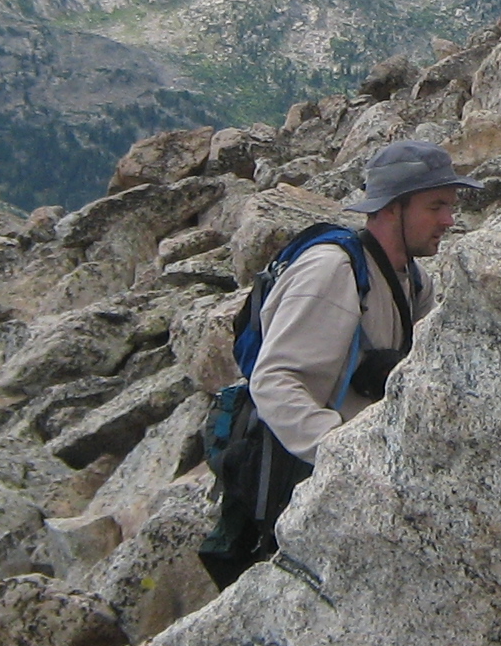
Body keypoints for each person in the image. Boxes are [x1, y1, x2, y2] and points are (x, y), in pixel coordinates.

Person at [202, 139, 477, 585]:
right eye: (436, 205)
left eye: (450, 206)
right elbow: (274, 381)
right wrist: (343, 457)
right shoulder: (333, 271)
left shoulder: (414, 280)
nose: (449, 219)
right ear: (392, 208)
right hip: (311, 485)